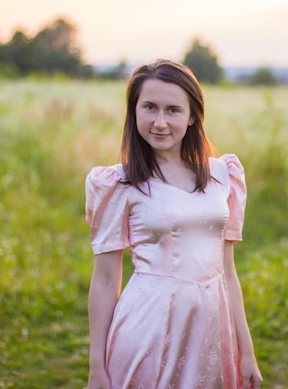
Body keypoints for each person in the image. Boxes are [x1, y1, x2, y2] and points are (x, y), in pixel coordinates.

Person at [85, 59, 262, 389]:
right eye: (149, 107)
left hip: (211, 327)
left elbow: (228, 272)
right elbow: (107, 280)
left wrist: (246, 350)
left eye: (173, 110)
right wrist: (97, 368)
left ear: (193, 115)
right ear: (134, 110)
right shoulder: (119, 183)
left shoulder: (223, 175)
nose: (160, 122)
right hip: (148, 329)